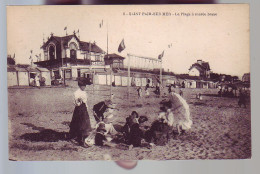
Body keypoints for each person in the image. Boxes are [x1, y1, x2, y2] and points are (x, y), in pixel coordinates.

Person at [68, 78, 92, 146]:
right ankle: (79, 139)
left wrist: (86, 108)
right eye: (83, 86)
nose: (84, 87)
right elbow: (76, 103)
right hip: (79, 109)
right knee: (79, 124)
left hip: (84, 109)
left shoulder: (84, 92)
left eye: (85, 86)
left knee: (85, 124)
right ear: (80, 86)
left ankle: (84, 138)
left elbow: (86, 102)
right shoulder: (76, 93)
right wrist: (79, 101)